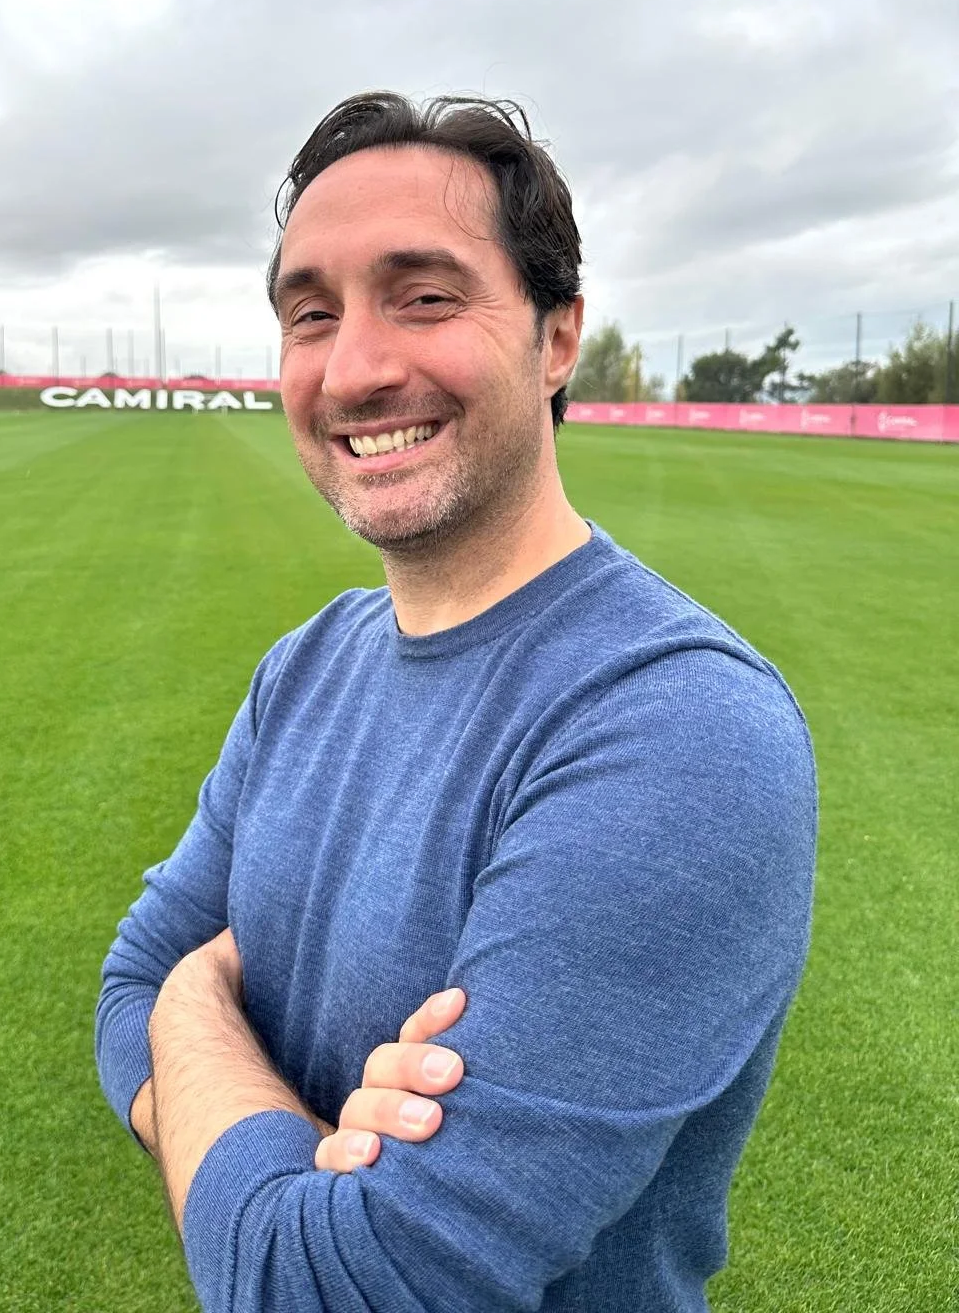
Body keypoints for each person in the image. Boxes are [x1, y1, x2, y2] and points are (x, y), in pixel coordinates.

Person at [95, 92, 817, 1313]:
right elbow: (130, 983)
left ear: (556, 336)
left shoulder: (678, 727)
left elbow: (325, 1289)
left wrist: (196, 1010)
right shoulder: (309, 663)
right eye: (310, 314)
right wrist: (198, 1030)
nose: (358, 368)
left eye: (424, 296)